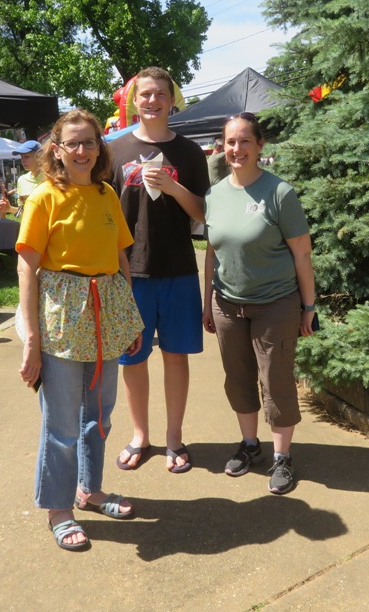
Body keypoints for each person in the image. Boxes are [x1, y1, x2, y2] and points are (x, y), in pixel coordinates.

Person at [16, 109, 143, 552]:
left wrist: (128, 317)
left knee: (100, 416)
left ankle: (90, 490)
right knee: (62, 423)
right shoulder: (44, 198)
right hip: (63, 318)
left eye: (90, 142)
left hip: (106, 311)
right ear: (58, 149)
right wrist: (31, 339)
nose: (83, 150)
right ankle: (58, 508)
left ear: (99, 147)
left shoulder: (108, 194)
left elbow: (121, 257)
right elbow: (27, 268)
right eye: (74, 143)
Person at [202, 112, 317, 495]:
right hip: (227, 303)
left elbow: (302, 254)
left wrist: (308, 307)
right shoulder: (215, 194)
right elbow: (211, 253)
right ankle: (250, 445)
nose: (236, 149)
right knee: (237, 379)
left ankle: (282, 457)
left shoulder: (280, 193)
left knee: (276, 380)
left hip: (275, 305)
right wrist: (207, 303)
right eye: (230, 142)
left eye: (244, 141)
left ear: (259, 144)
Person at [109, 67, 210, 473]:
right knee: (132, 357)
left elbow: (203, 214)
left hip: (178, 269)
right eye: (145, 94)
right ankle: (140, 436)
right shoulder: (113, 152)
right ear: (134, 101)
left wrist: (174, 187)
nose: (151, 101)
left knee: (175, 356)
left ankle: (173, 438)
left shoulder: (188, 153)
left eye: (160, 94)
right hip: (129, 271)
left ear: (171, 101)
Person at [12, 139, 43, 214]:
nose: (23, 160)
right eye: (22, 157)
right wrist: (9, 208)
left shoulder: (51, 177)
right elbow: (22, 211)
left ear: (40, 156)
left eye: (27, 156)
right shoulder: (21, 180)